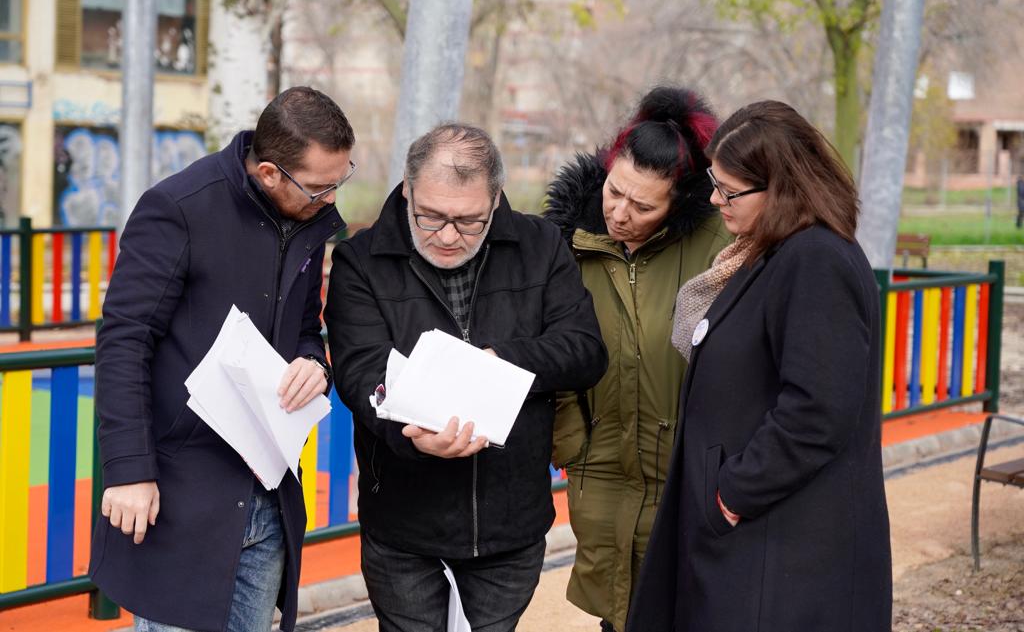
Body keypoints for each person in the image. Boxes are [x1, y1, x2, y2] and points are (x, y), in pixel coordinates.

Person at [89, 86, 355, 632]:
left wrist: (315, 364)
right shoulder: (178, 208)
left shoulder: (308, 217)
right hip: (182, 496)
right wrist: (130, 470)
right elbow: (124, 339)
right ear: (269, 173)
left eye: (340, 181)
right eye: (320, 186)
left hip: (269, 492)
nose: (331, 199)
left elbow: (306, 328)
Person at [325, 122, 607, 632]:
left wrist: (498, 362)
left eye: (470, 221)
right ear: (408, 189)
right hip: (404, 526)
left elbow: (586, 350)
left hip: (510, 522)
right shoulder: (360, 260)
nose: (449, 236)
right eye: (431, 216)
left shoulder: (540, 245)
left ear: (496, 199)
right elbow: (358, 370)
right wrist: (408, 433)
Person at [627, 100, 892, 632]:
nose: (714, 200)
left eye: (729, 191)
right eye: (714, 184)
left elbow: (818, 409)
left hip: (781, 548)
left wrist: (733, 492)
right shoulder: (771, 251)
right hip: (759, 541)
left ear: (783, 189)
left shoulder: (814, 259)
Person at [543, 86, 731, 632]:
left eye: (643, 206)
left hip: (688, 469)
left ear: (682, 201)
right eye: (614, 191)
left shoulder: (720, 241)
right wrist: (571, 437)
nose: (619, 214)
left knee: (687, 608)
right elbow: (545, 343)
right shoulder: (565, 240)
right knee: (617, 610)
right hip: (600, 465)